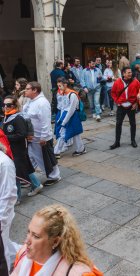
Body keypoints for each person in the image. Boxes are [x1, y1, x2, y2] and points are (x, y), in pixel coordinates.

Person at [11, 204, 103, 276]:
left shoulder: (78, 273)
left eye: (36, 236)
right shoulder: (23, 254)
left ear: (55, 241)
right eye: (28, 232)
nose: (26, 241)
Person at [3, 96, 43, 201]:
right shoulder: (7, 116)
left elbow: (22, 134)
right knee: (25, 168)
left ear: (14, 105)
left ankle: (16, 198)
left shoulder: (17, 118)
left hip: (18, 149)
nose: (5, 107)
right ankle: (36, 184)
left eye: (8, 105)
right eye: (4, 105)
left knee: (15, 172)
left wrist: (5, 138)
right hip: (12, 149)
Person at [23, 82, 61, 185]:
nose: (24, 91)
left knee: (46, 157)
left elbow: (45, 121)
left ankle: (54, 176)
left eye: (27, 89)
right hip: (31, 137)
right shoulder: (30, 101)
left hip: (40, 137)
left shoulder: (42, 103)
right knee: (32, 157)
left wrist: (43, 137)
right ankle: (27, 176)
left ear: (34, 90)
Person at [54, 78, 86, 158]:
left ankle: (56, 151)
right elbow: (63, 107)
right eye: (58, 86)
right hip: (66, 116)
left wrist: (64, 121)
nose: (59, 88)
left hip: (72, 116)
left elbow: (71, 110)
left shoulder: (72, 95)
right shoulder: (64, 93)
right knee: (74, 133)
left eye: (60, 86)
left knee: (66, 133)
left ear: (65, 85)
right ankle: (81, 149)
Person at [110, 67, 140, 150]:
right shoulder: (117, 82)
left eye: (130, 72)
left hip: (131, 106)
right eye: (128, 72)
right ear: (123, 74)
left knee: (133, 123)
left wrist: (136, 103)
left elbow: (139, 92)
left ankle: (133, 140)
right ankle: (117, 142)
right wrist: (117, 101)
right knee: (118, 123)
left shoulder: (135, 81)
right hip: (121, 106)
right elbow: (113, 92)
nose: (130, 74)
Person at [0, 141, 19, 272]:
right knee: (5, 244)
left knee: (2, 251)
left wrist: (1, 221)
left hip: (2, 216)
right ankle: (23, 257)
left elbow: (9, 196)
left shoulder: (5, 164)